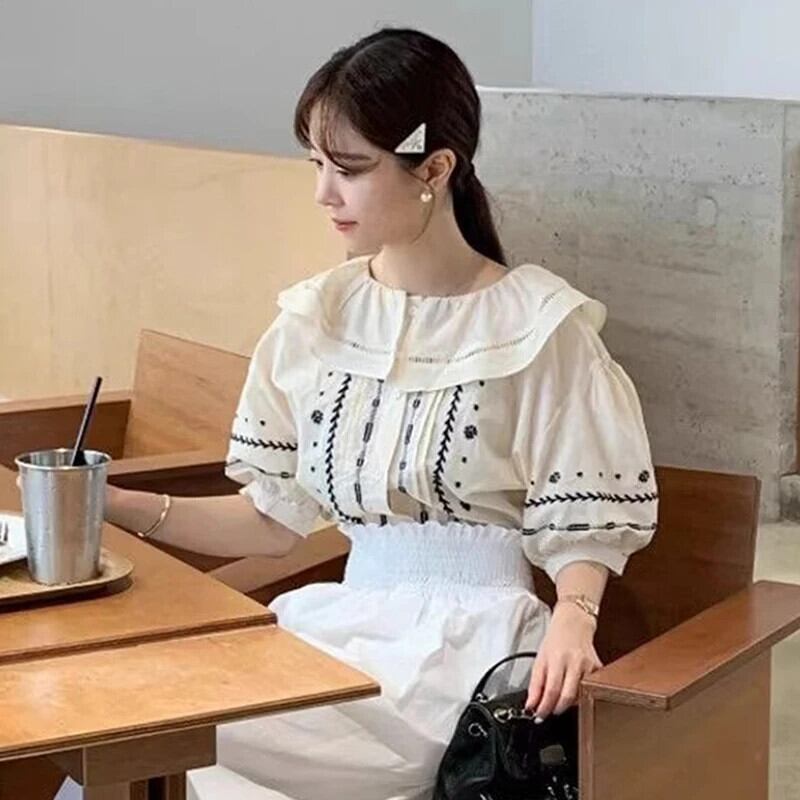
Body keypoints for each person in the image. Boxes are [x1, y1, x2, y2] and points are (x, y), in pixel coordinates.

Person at [105, 27, 658, 800]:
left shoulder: (540, 330)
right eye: (316, 164)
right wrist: (107, 505)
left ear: (435, 168)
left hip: (466, 652)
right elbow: (271, 520)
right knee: (143, 708)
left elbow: (584, 520)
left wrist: (574, 614)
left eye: (350, 168)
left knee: (189, 730)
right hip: (337, 627)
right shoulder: (314, 320)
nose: (323, 193)